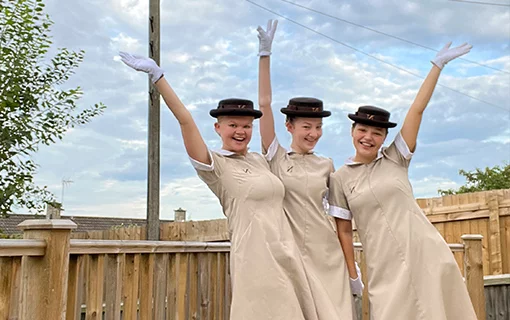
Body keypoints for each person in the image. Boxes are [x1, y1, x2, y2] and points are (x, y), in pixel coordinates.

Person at [119, 52, 317, 319]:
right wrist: (158, 77)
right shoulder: (216, 165)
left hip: (286, 253)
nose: (240, 131)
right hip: (254, 258)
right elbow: (185, 120)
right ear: (218, 128)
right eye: (232, 124)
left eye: (247, 126)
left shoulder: (260, 160)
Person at [328, 42, 478, 319]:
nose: (368, 137)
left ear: (385, 138)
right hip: (383, 266)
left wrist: (437, 66)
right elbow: (344, 232)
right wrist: (352, 273)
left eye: (377, 132)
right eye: (363, 129)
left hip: (425, 254)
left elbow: (417, 111)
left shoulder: (396, 159)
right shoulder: (339, 179)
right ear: (352, 131)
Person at [257, 20, 361, 319]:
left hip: (326, 255)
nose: (313, 133)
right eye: (306, 126)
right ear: (289, 126)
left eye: (318, 127)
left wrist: (352, 271)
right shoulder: (276, 157)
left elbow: (343, 222)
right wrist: (265, 55)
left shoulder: (326, 165)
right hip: (289, 254)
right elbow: (264, 104)